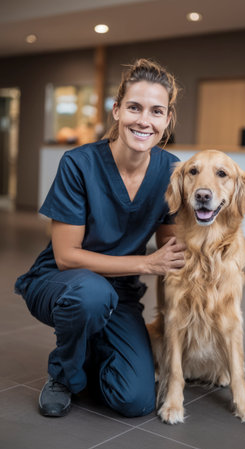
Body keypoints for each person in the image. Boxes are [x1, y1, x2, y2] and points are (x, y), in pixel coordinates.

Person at [15, 58, 185, 419]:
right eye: (134, 107)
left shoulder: (172, 171)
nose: (144, 120)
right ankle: (63, 375)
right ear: (116, 111)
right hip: (61, 284)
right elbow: (66, 257)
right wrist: (144, 263)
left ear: (167, 120)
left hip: (119, 293)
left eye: (156, 111)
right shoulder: (79, 164)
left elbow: (174, 249)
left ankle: (90, 347)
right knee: (92, 294)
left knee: (135, 401)